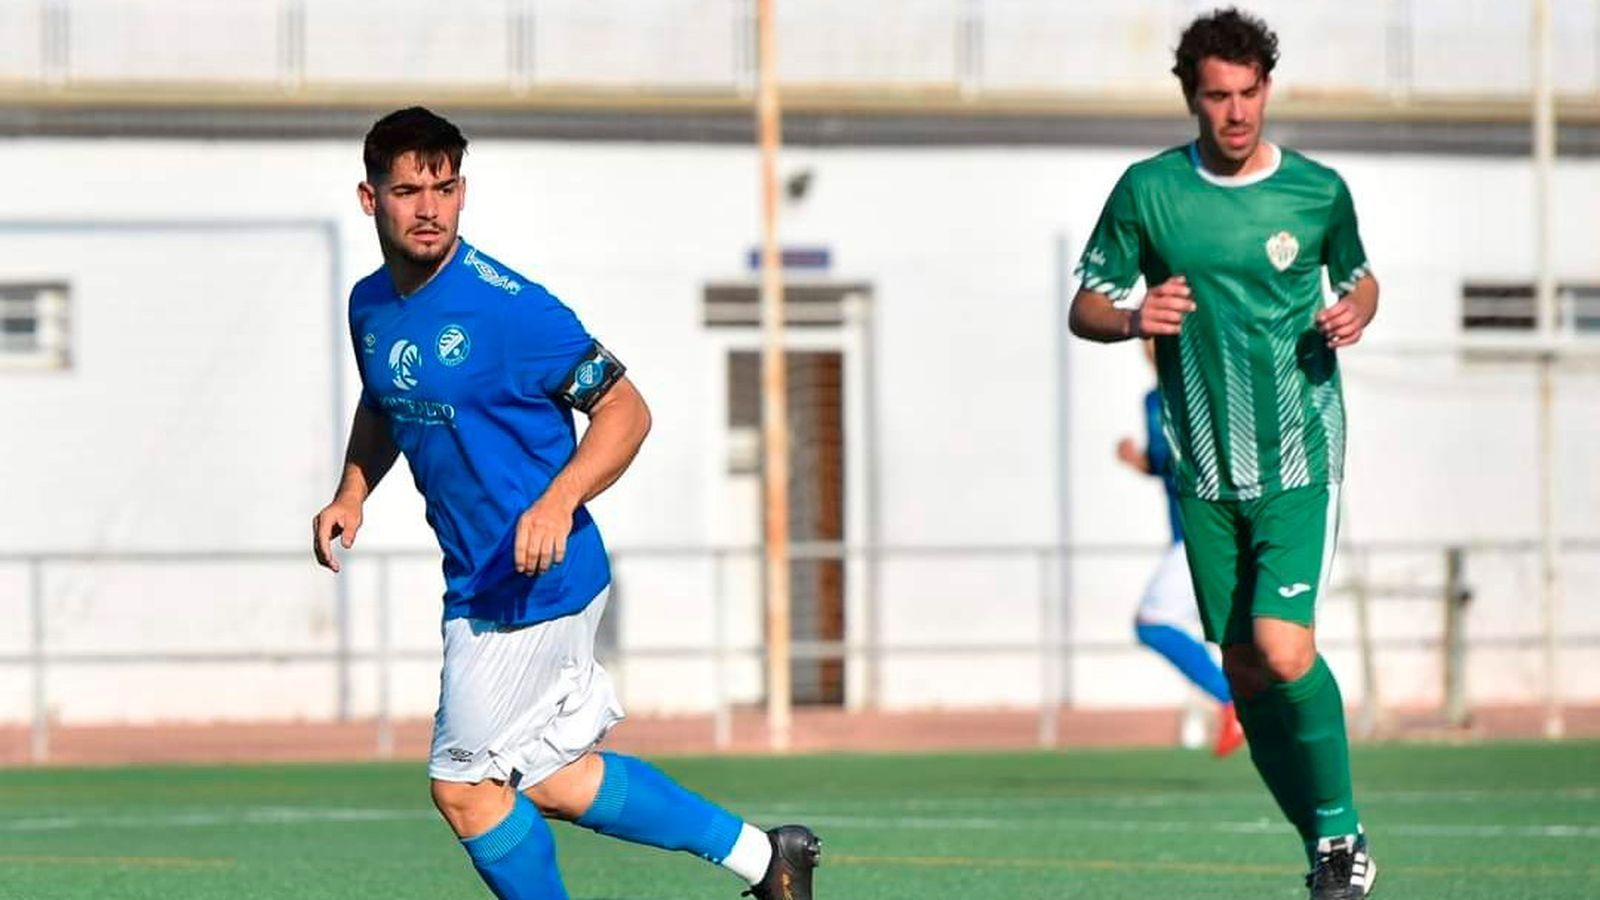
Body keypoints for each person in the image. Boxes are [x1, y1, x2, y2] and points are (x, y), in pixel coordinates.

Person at [312, 107, 820, 900]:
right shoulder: (369, 306)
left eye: (444, 188)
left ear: (462, 192)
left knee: (467, 788)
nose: (429, 208)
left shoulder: (513, 309)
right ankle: (767, 859)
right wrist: (352, 489)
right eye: (408, 190)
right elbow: (386, 399)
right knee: (553, 776)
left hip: (532, 579)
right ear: (370, 199)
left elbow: (627, 410)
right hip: (482, 575)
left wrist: (555, 502)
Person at [1069, 9, 1379, 898]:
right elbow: (1086, 303)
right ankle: (1325, 847)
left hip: (1297, 459)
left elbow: (1357, 275)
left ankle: (1343, 833)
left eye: (1249, 94)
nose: (1236, 114)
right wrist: (1131, 317)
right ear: (1191, 98)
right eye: (1218, 97)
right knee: (1243, 671)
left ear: (1267, 89)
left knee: (1282, 651)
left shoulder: (1316, 192)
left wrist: (1359, 308)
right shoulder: (1149, 191)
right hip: (1203, 472)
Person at [1117, 342, 1244, 759]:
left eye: (1159, 335)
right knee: (1223, 628)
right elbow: (1166, 463)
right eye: (1146, 337)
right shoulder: (1153, 399)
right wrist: (1143, 464)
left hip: (1206, 531)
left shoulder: (1203, 390)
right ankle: (1245, 705)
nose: (1150, 346)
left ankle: (1235, 701)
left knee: (1154, 621)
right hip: (1183, 535)